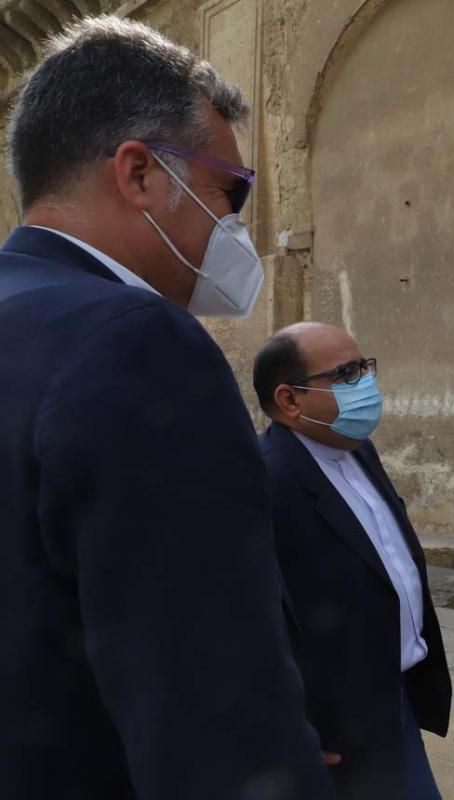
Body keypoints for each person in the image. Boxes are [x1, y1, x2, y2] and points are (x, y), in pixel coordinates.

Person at [0, 17, 331, 799]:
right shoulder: (139, 344)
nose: (234, 225)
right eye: (229, 191)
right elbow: (217, 724)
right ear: (140, 173)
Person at [254, 322, 452, 799]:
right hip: (333, 729)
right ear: (290, 400)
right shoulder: (264, 481)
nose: (365, 381)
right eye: (345, 373)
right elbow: (247, 618)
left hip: (394, 699)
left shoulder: (358, 449)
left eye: (364, 366)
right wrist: (279, 726)